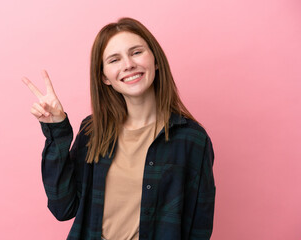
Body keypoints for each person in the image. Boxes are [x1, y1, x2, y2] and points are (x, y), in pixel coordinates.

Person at [22, 17, 215, 240]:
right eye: (114, 59)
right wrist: (57, 130)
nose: (128, 65)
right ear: (104, 77)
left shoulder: (192, 139)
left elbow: (198, 227)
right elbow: (63, 207)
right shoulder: (93, 130)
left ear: (156, 60)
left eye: (136, 52)